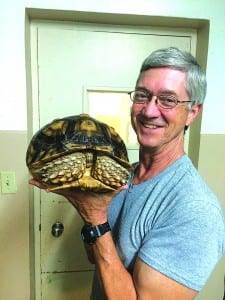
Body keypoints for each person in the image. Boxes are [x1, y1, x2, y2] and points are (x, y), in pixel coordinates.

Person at [30, 47, 225, 299]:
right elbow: (95, 256)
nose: (149, 111)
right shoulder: (121, 177)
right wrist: (89, 214)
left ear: (192, 113)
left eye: (168, 100)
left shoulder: (195, 209)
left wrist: (96, 218)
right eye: (142, 95)